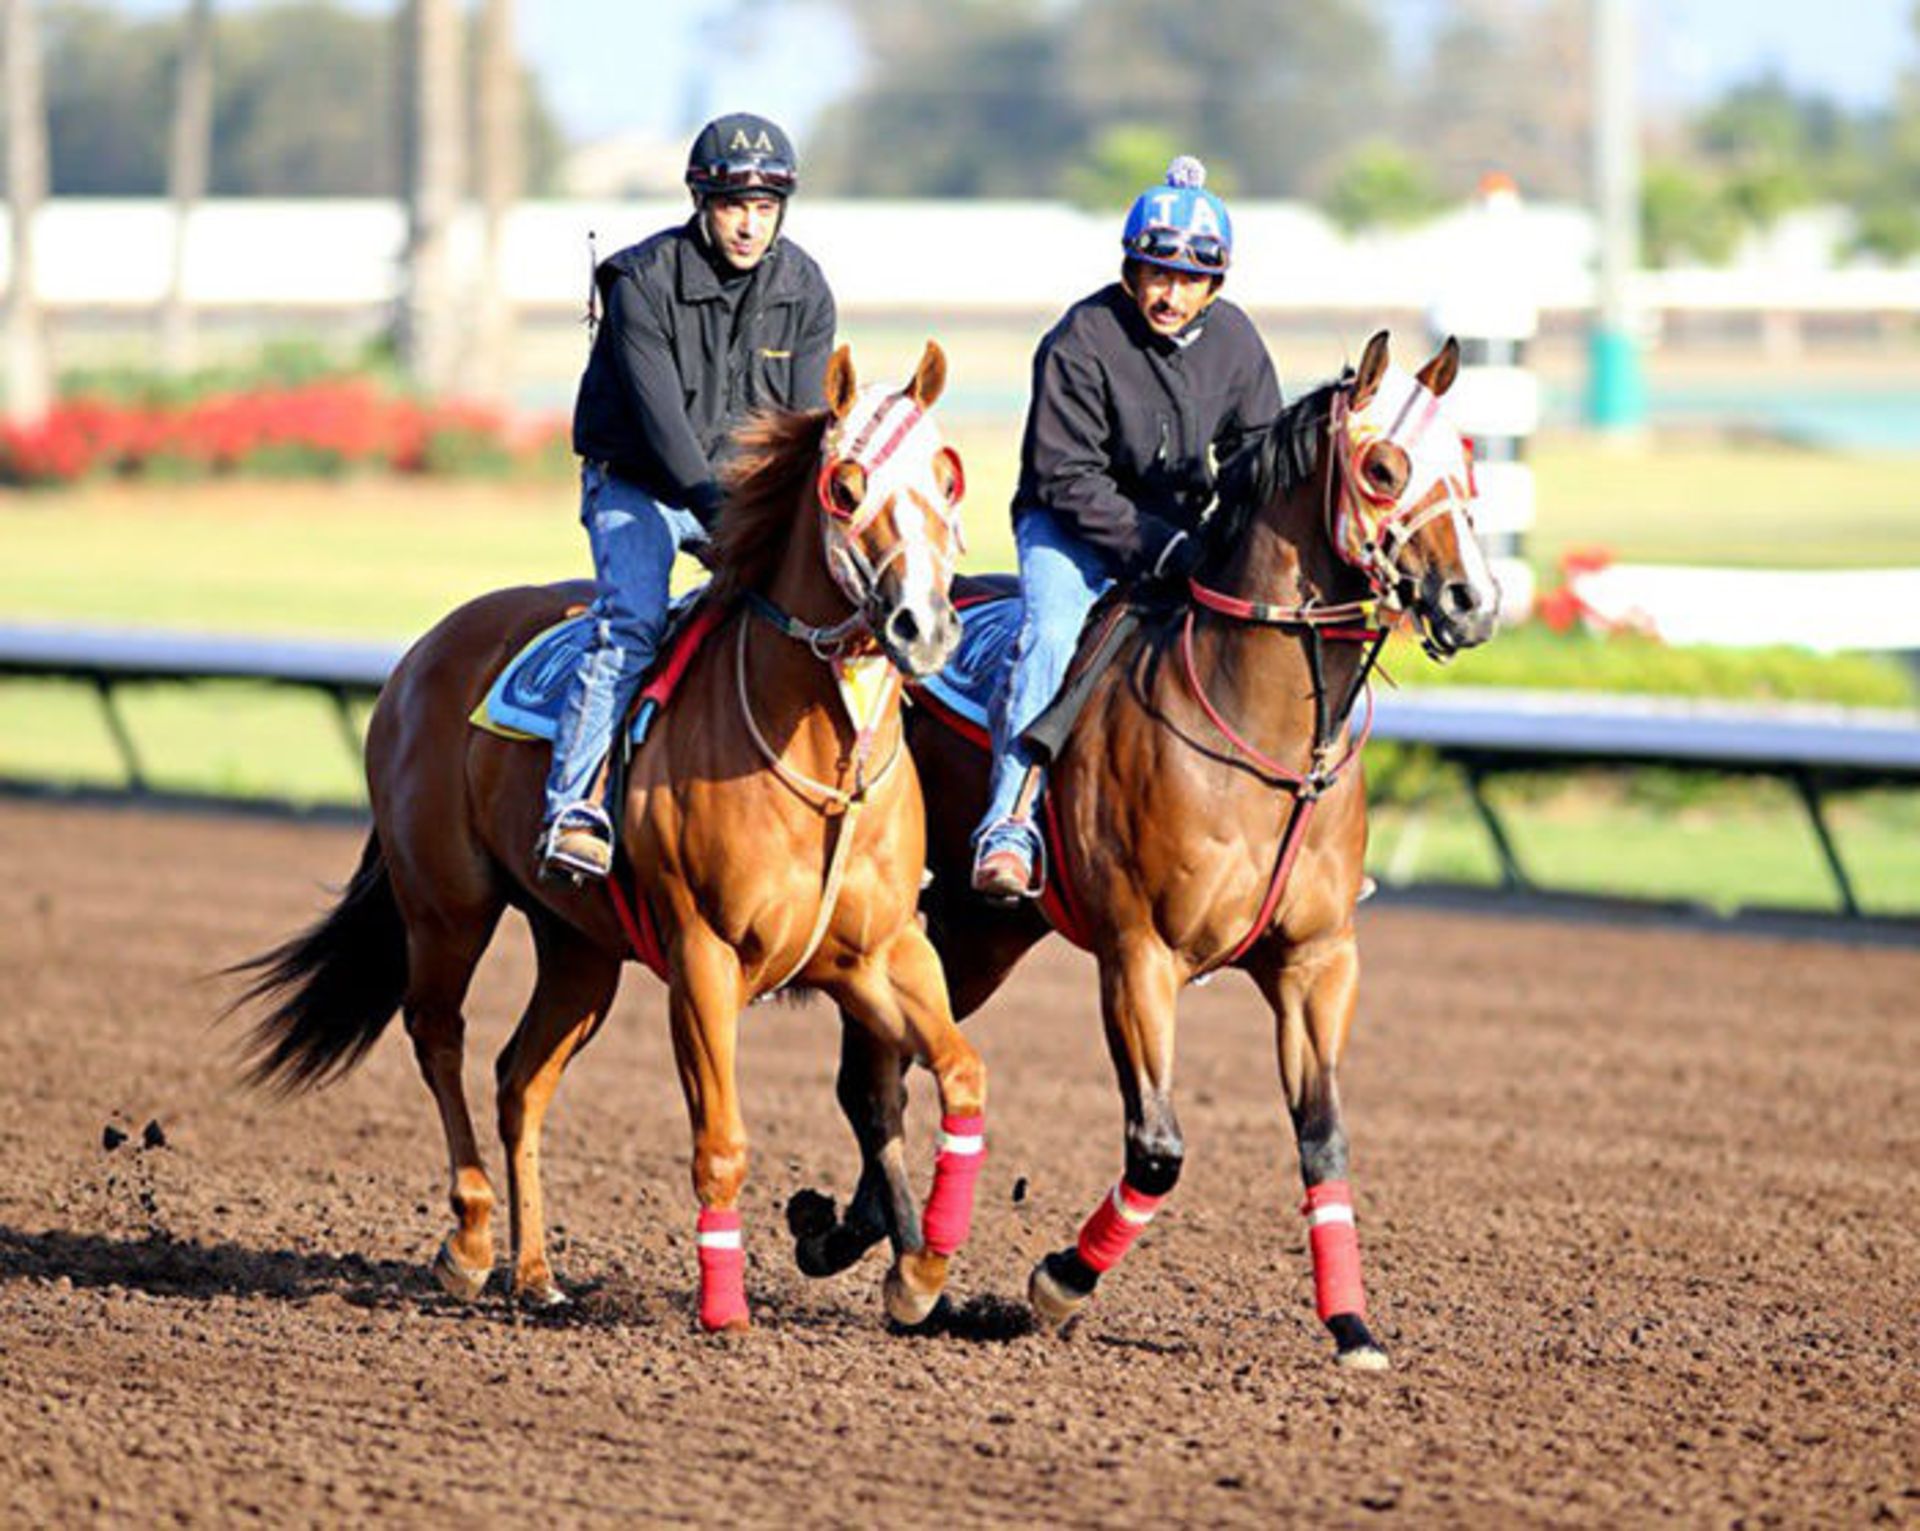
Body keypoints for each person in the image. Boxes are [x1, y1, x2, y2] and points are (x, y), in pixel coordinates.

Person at [971, 156, 1282, 898]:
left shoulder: (1238, 344)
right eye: (1155, 274)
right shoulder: (1080, 338)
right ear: (1130, 270)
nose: (1169, 293)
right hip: (1069, 530)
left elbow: (1254, 460)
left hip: (1181, 534)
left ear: (1215, 285)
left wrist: (1230, 541)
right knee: (1050, 637)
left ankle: (1283, 837)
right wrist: (1160, 547)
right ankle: (1007, 824)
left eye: (1187, 280)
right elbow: (1064, 476)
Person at [540, 112, 837, 881]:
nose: (749, 224)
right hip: (637, 481)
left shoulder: (804, 287)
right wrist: (732, 525)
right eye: (734, 205)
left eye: (766, 207)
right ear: (702, 204)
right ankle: (574, 806)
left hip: (740, 495)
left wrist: (770, 523)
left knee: (818, 621)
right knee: (633, 622)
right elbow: (665, 431)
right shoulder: (641, 282)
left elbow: (801, 430)